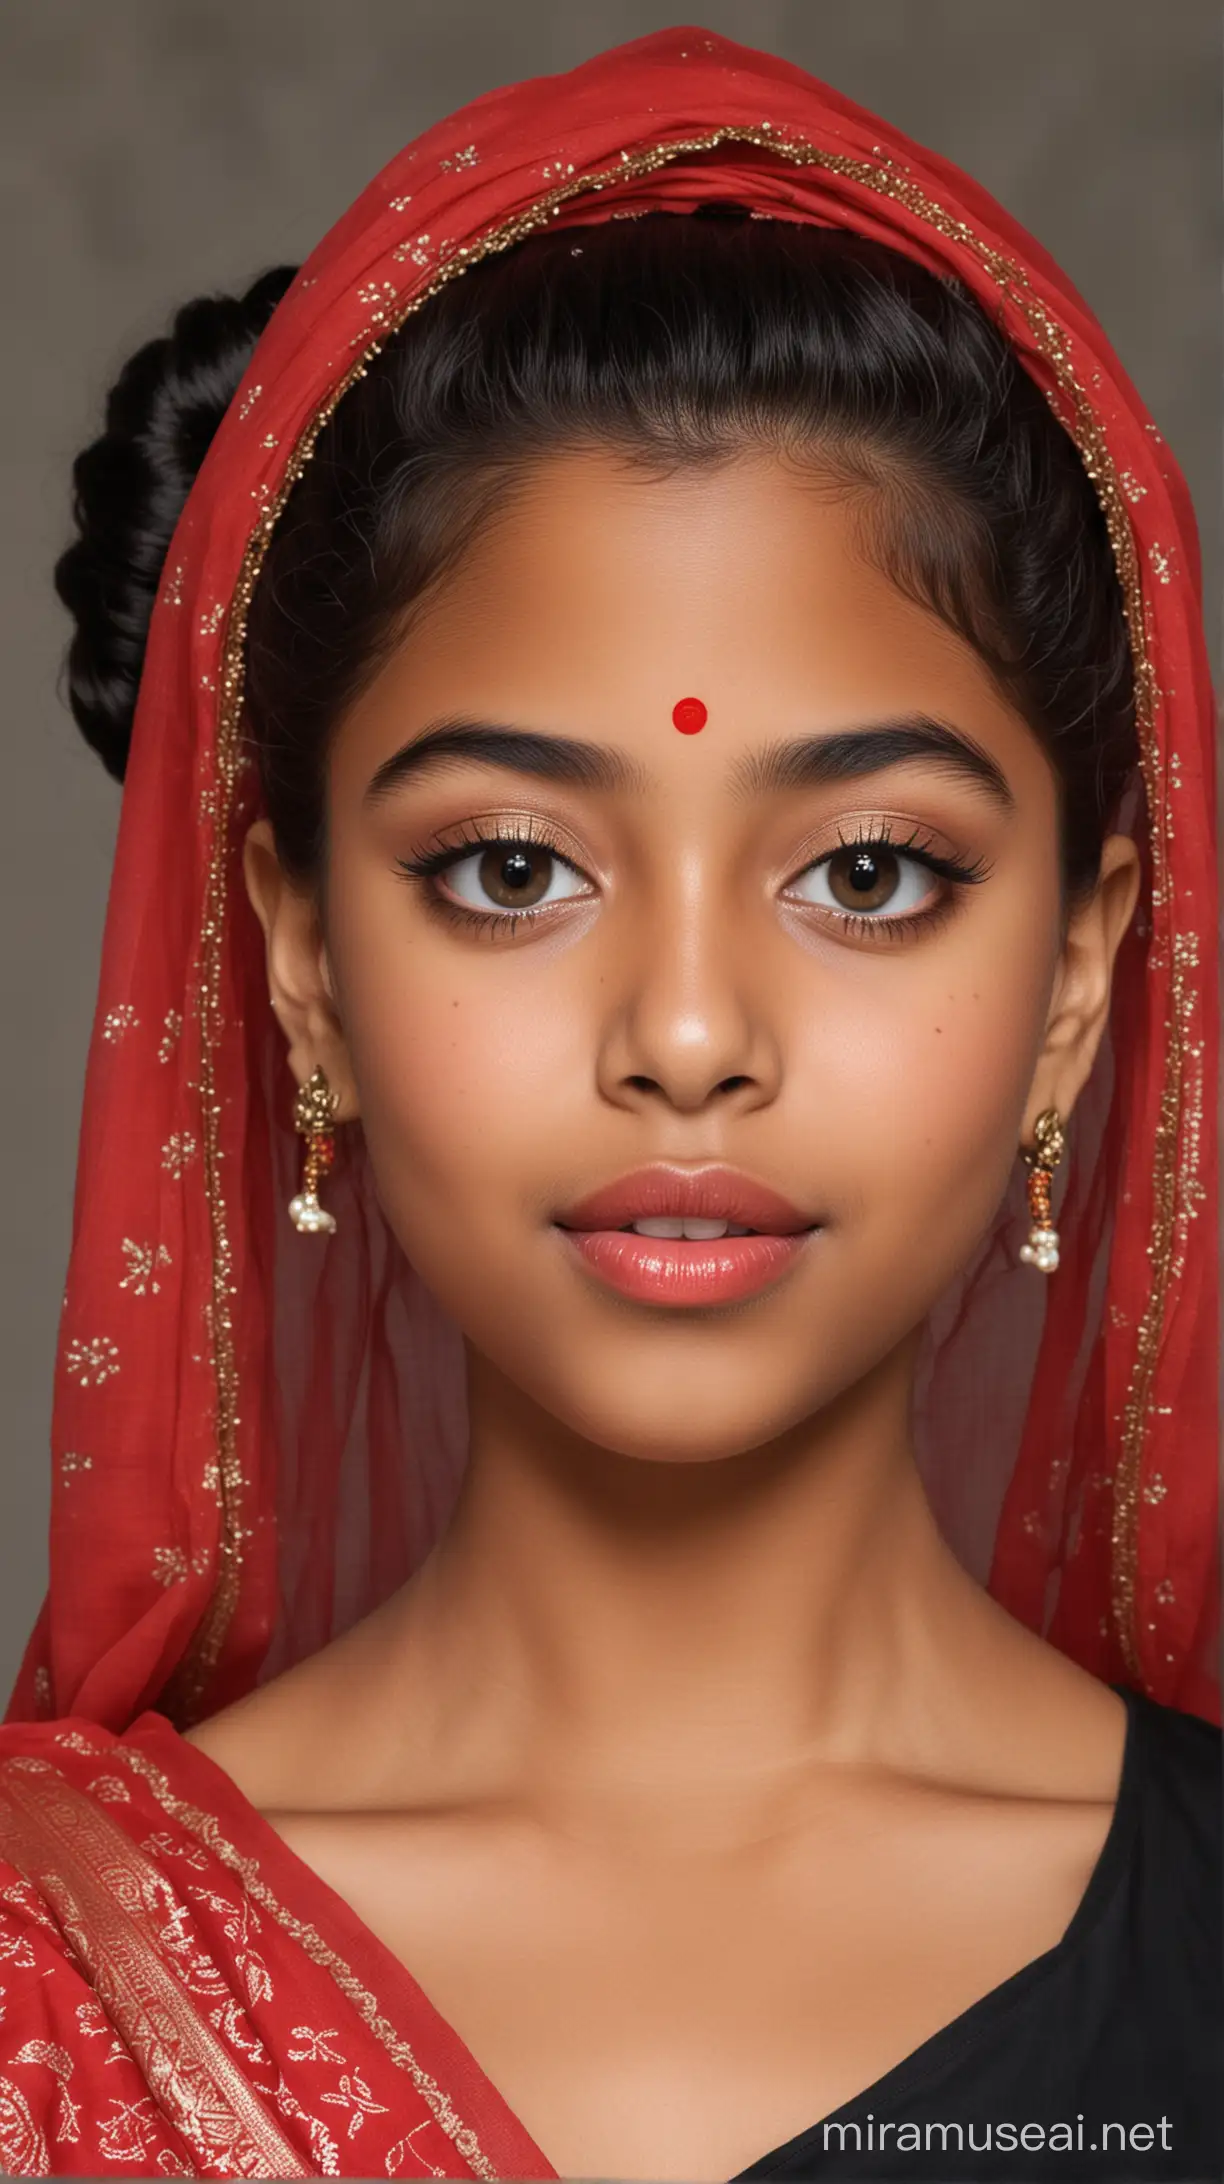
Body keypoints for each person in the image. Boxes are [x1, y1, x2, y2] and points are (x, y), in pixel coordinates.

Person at [0, 25, 1218, 2183]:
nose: (681, 1032)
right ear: (298, 964)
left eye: (868, 873)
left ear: (1082, 974)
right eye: (510, 870)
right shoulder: (47, 1995)